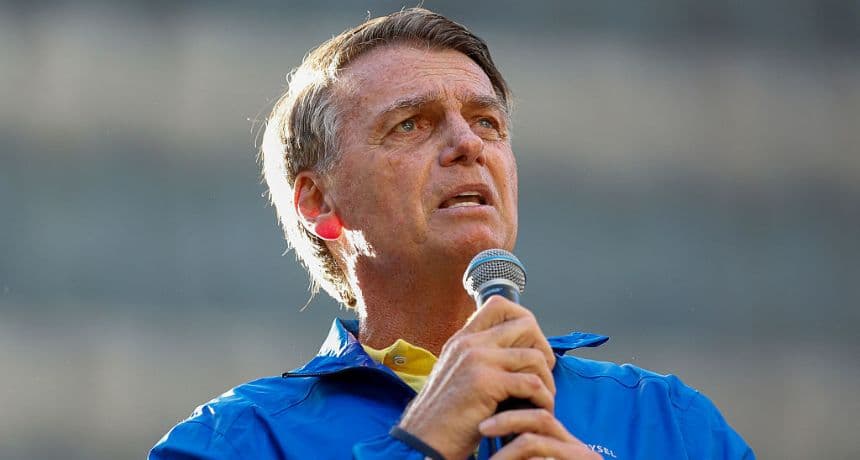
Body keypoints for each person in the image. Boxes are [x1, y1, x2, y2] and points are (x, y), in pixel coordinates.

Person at [150, 8, 754, 459]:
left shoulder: (671, 424)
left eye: (486, 121)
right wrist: (424, 440)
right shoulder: (234, 442)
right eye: (412, 124)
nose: (469, 145)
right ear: (319, 201)